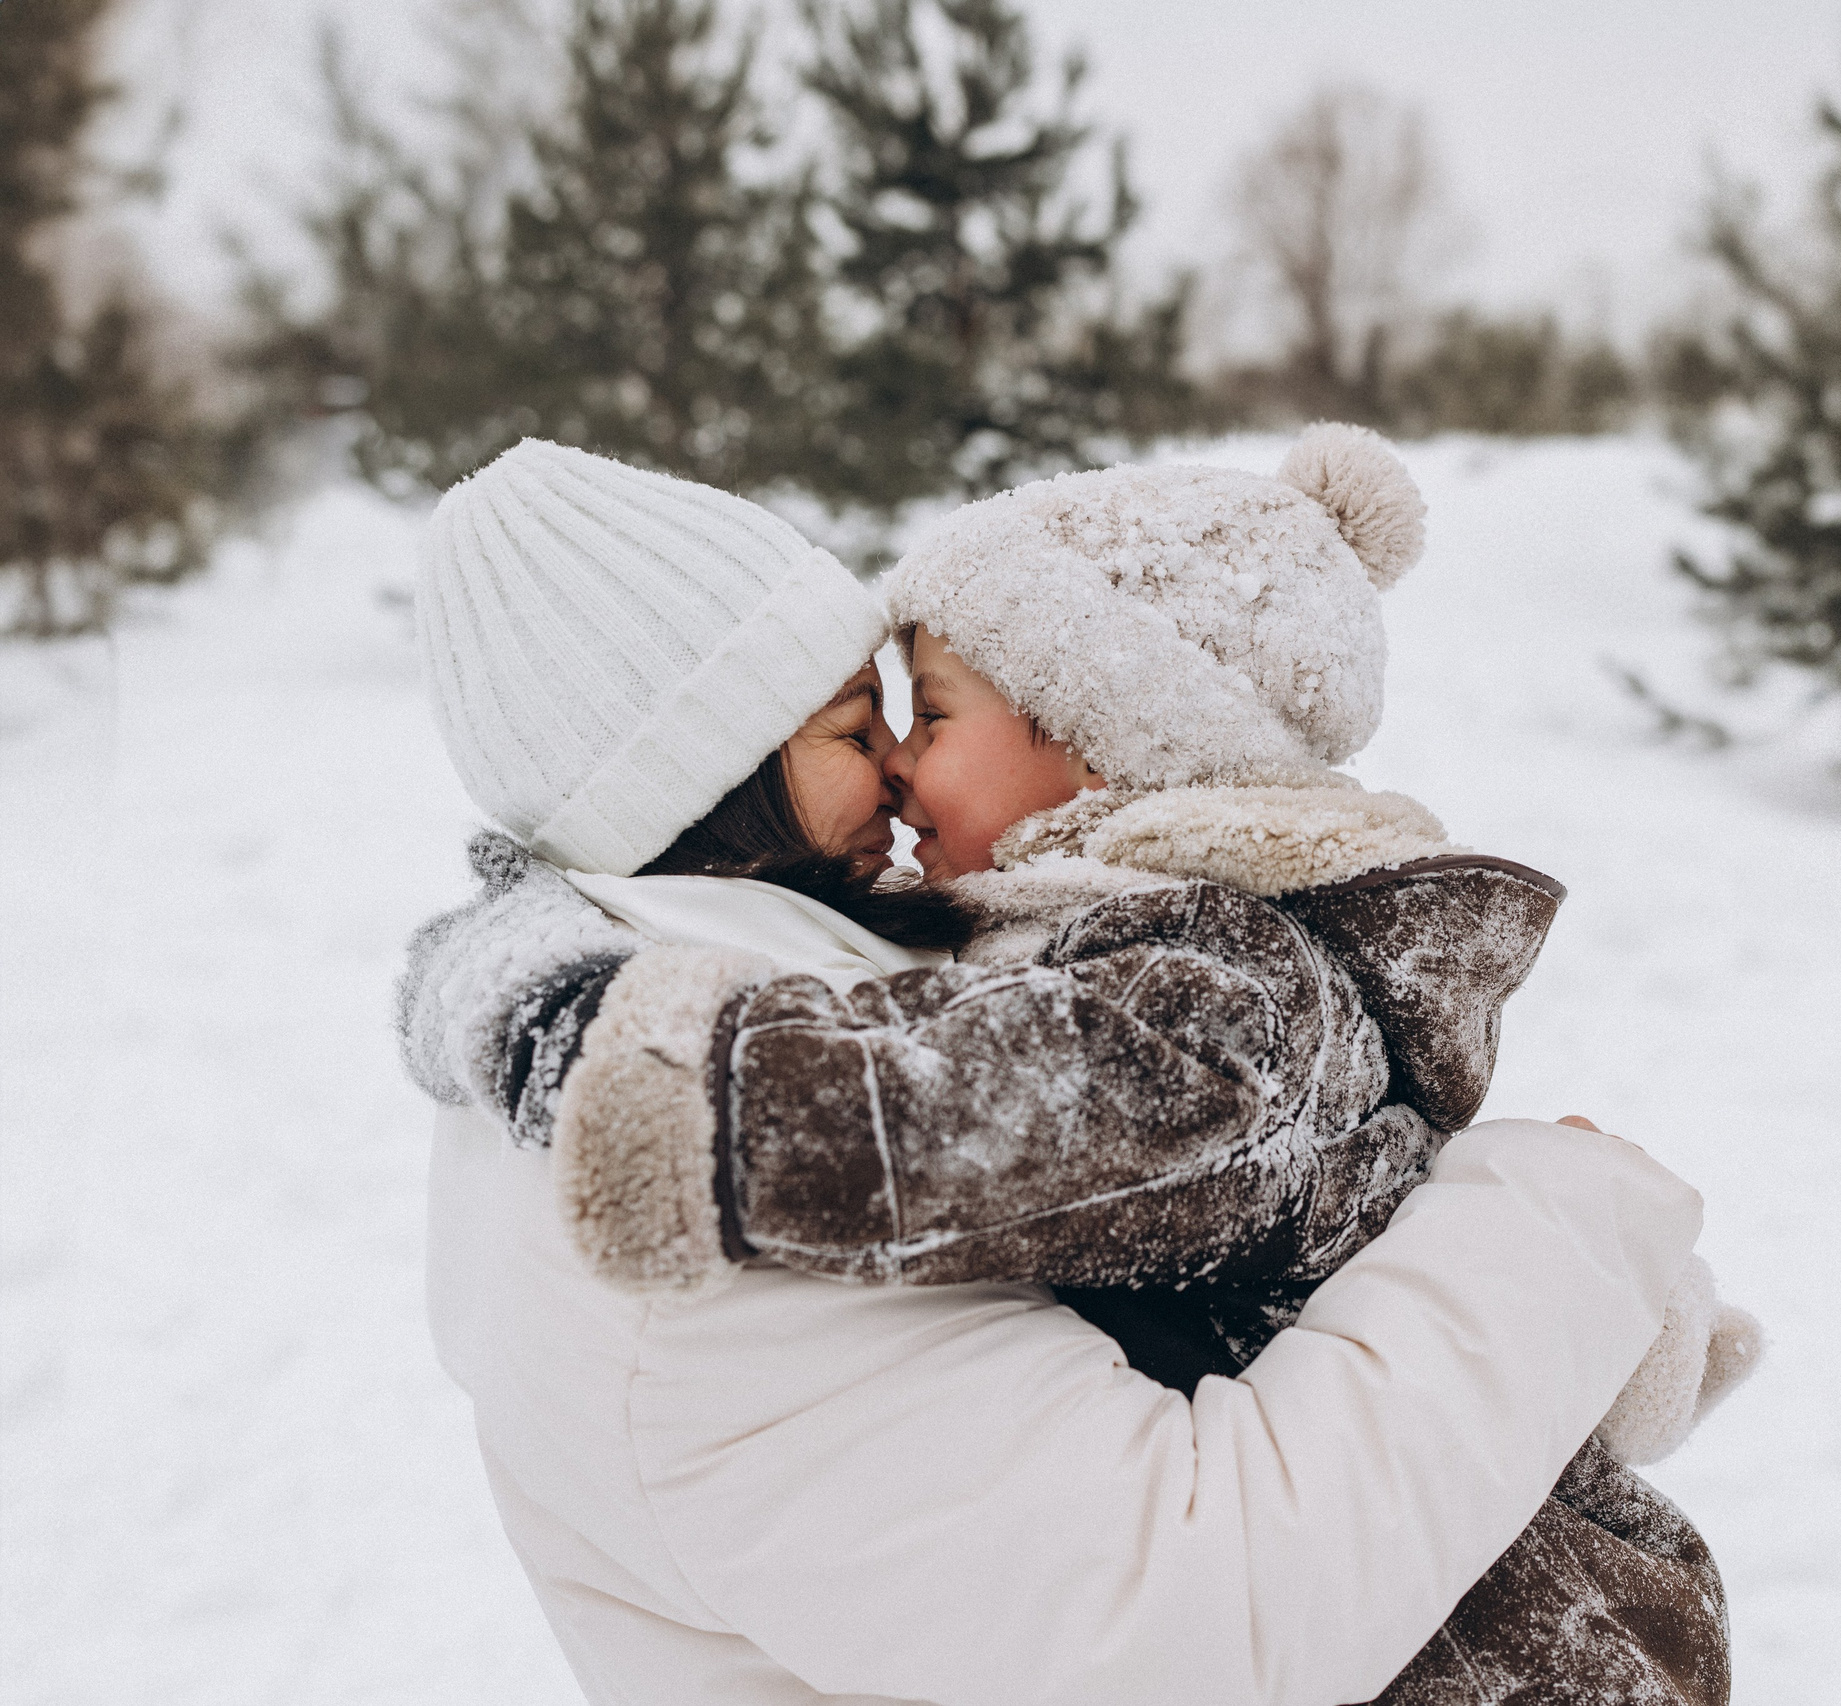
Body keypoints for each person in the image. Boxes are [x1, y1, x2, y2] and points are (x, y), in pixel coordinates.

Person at [404, 437, 1739, 1705]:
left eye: (915, 716)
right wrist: (1552, 1214)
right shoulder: (670, 1156)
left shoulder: (1135, 985)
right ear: (708, 779)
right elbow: (1218, 1600)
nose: (897, 772)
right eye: (853, 729)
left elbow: (1082, 1104)